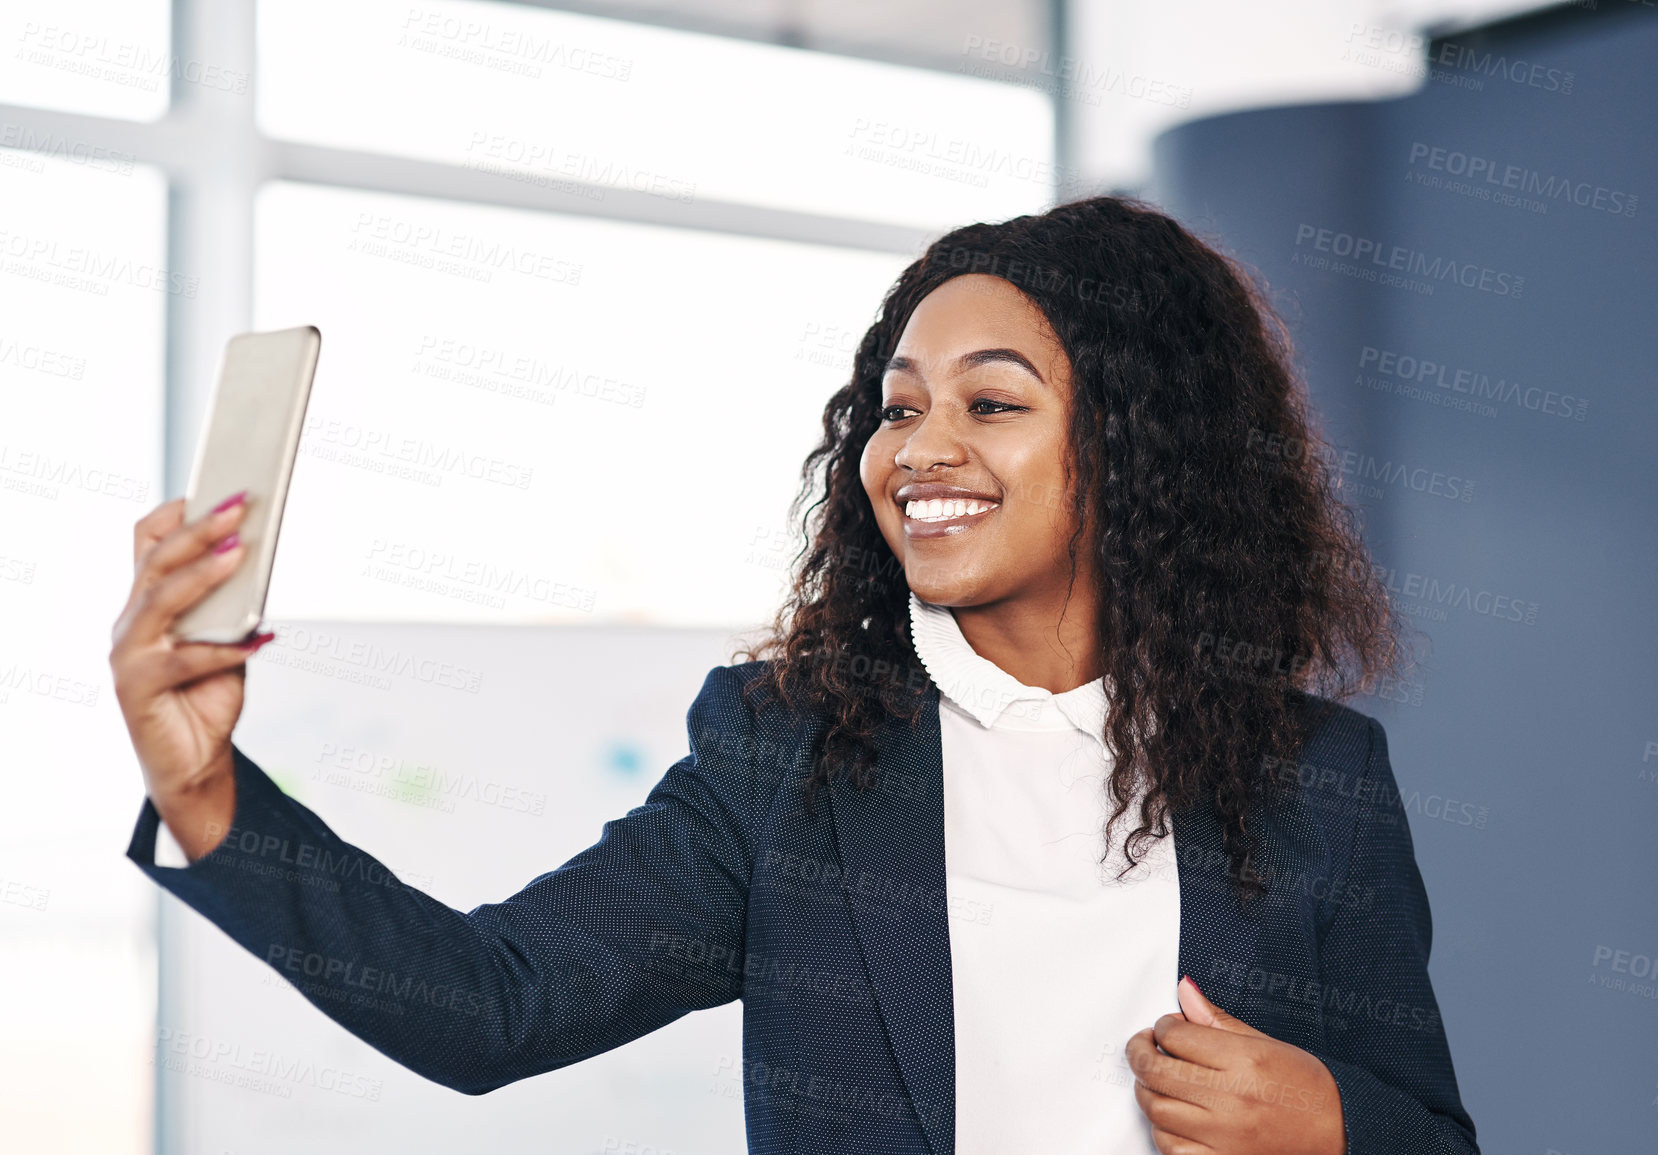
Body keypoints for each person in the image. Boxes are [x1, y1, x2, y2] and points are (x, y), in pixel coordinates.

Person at [111, 195, 1478, 1154]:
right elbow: (489, 1001)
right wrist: (208, 792)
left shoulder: (1313, 777)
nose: (918, 449)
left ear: (1142, 451)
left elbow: (1430, 1137)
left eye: (991, 403)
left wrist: (1333, 1128)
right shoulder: (794, 758)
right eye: (897, 406)